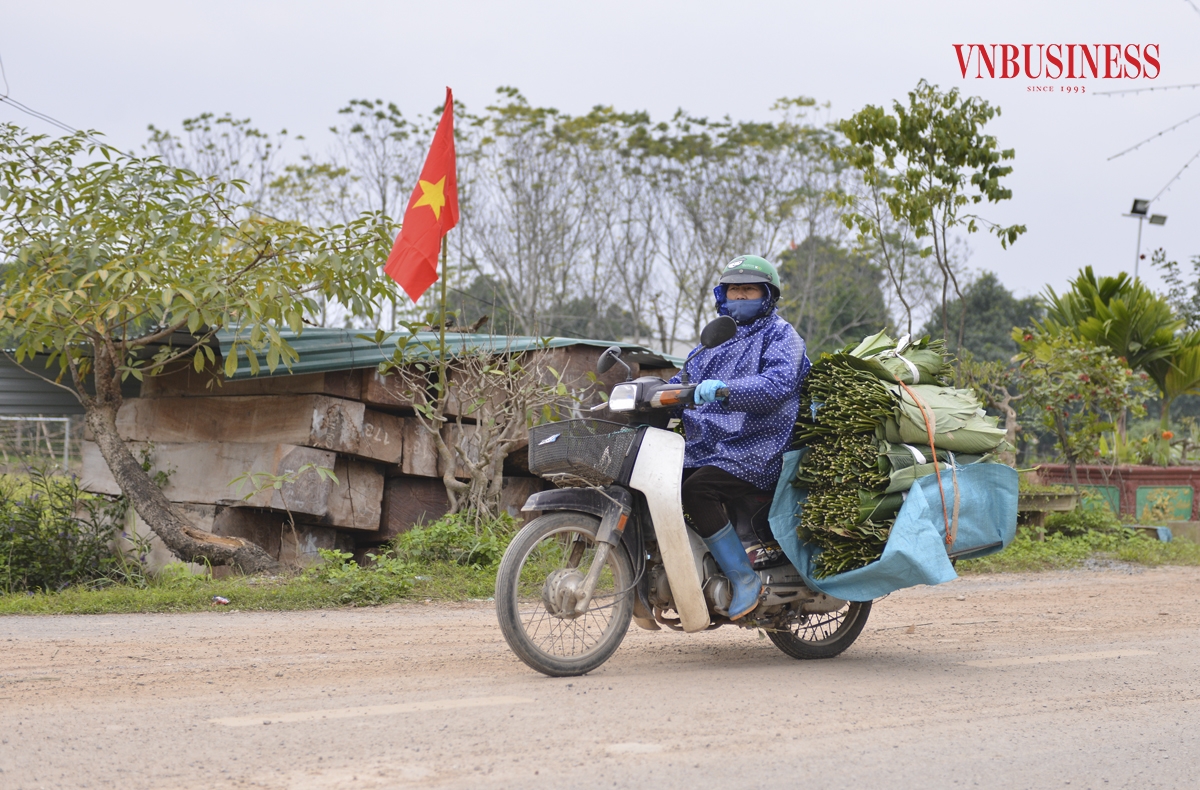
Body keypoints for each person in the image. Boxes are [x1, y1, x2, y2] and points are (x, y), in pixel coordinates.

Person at [672, 255, 809, 620]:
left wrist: (725, 390)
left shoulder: (782, 336)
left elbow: (777, 385)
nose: (740, 295)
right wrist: (647, 393)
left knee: (697, 490)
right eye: (735, 289)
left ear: (767, 295)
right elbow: (682, 381)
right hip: (709, 448)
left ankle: (743, 578)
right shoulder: (714, 341)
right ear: (723, 294)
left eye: (749, 289)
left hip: (758, 447)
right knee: (662, 482)